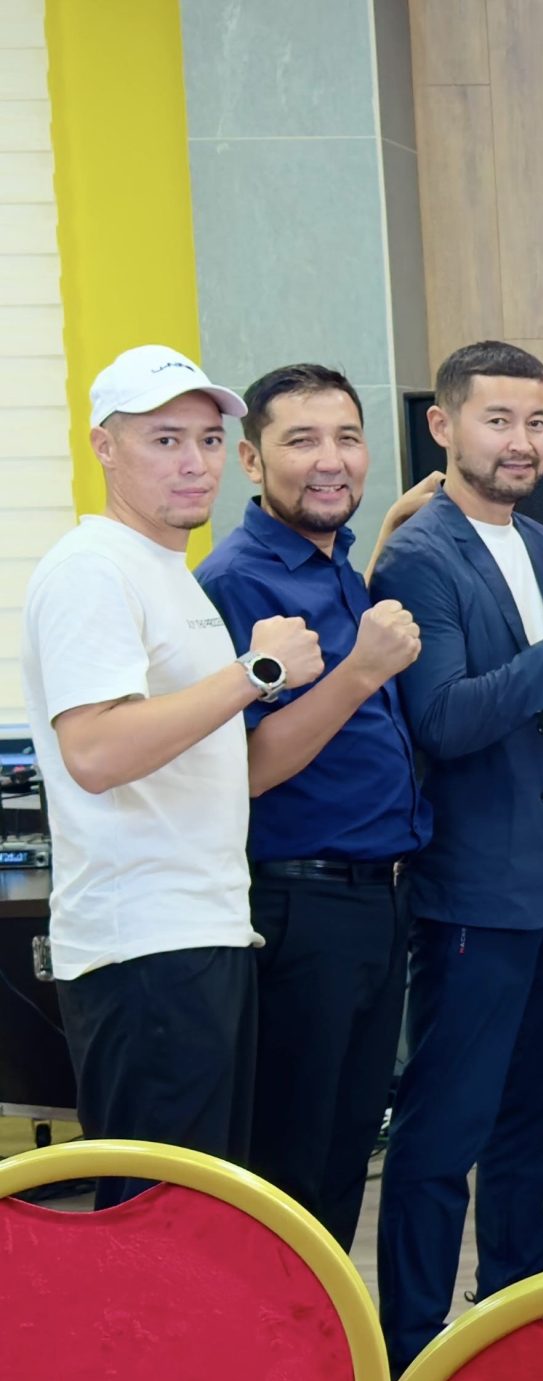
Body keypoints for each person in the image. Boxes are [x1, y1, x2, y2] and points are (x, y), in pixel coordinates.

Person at [371, 340, 543, 1371]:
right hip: (475, 891)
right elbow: (442, 719)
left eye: (537, 421)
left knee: (535, 1120)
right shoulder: (418, 557)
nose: (522, 442)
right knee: (444, 1131)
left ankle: (521, 1310)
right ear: (443, 426)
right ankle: (415, 1344)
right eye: (498, 420)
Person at [21, 346, 317, 1209]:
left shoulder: (165, 575)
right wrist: (257, 673)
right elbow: (95, 752)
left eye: (208, 440)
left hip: (202, 932)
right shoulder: (93, 570)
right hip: (143, 945)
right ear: (104, 447)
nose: (194, 463)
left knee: (200, 1219)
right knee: (156, 1223)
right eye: (164, 440)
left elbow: (225, 769)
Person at [197, 363, 428, 1248]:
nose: (331, 460)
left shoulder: (337, 567)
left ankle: (325, 1333)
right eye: (301, 441)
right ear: (252, 462)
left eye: (347, 438)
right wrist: (362, 670)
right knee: (290, 1166)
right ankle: (277, 1336)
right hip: (300, 903)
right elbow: (249, 770)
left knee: (342, 1154)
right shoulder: (236, 581)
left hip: (379, 899)